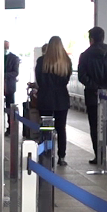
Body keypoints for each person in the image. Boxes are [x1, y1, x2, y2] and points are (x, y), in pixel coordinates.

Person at [76, 26, 107, 163]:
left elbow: (82, 76)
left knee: (95, 125)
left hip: (92, 95)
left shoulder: (85, 56)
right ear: (103, 37)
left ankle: (99, 155)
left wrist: (97, 88)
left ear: (91, 39)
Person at [34, 36, 73, 167]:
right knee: (61, 129)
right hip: (61, 98)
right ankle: (61, 157)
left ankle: (46, 154)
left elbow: (39, 80)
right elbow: (66, 80)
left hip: (45, 98)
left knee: (46, 128)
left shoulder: (41, 61)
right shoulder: (66, 62)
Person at [4, 41, 20, 133]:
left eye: (6, 46)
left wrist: (3, 75)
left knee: (10, 107)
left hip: (9, 87)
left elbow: (15, 72)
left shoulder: (14, 58)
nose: (5, 48)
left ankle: (10, 127)